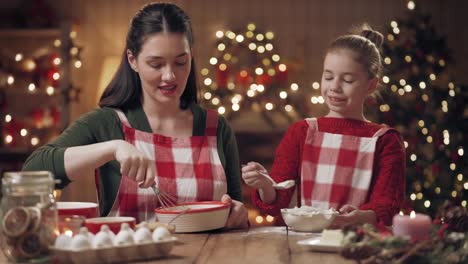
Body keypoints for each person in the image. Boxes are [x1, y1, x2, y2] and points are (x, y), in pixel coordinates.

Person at [23, 2, 248, 229]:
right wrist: (113, 148)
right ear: (133, 60)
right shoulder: (107, 123)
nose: (170, 75)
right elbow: (31, 173)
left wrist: (237, 215)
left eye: (181, 62)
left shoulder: (216, 128)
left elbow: (237, 211)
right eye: (156, 64)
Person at [242, 24, 406, 227]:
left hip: (356, 244)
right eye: (328, 76)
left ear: (371, 85)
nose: (334, 87)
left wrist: (361, 217)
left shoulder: (385, 140)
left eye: (347, 79)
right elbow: (276, 203)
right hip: (304, 244)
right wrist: (265, 185)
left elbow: (388, 206)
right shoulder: (302, 132)